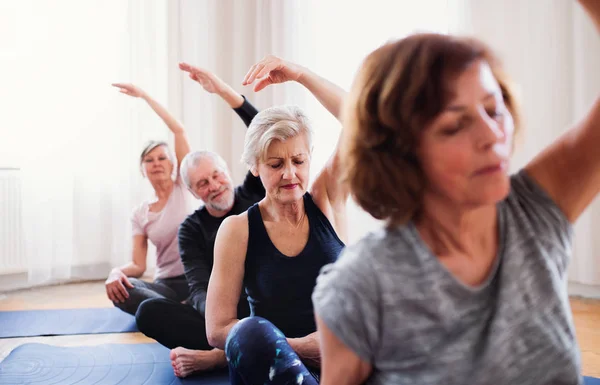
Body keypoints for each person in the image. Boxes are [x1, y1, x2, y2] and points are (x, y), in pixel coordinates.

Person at [310, 1, 600, 384]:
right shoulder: (361, 285)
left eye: (494, 109)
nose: (491, 135)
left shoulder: (534, 213)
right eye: (455, 125)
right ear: (402, 153)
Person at [204, 56, 348, 385]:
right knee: (251, 331)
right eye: (275, 164)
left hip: (340, 362)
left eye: (298, 160)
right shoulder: (237, 229)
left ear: (310, 158)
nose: (289, 174)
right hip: (269, 366)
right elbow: (217, 329)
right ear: (255, 167)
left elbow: (360, 121)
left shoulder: (327, 197)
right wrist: (297, 348)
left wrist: (301, 75)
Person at [133, 63, 265, 376]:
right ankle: (233, 348)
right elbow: (200, 286)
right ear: (193, 192)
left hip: (266, 304)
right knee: (147, 311)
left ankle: (219, 358)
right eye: (203, 183)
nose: (214, 185)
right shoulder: (191, 229)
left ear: (227, 172)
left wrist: (223, 91)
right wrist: (219, 323)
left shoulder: (253, 192)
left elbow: (261, 128)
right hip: (223, 315)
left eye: (216, 176)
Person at [106, 65, 255, 316]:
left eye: (162, 158)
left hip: (203, 279)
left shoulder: (183, 187)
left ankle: (187, 311)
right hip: (169, 285)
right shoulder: (143, 214)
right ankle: (183, 310)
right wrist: (116, 272)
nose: (156, 164)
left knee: (197, 298)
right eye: (149, 160)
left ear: (174, 164)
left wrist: (144, 96)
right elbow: (138, 265)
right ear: (142, 169)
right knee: (126, 292)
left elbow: (178, 130)